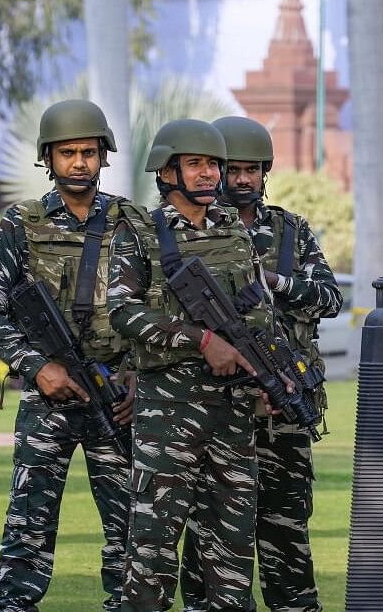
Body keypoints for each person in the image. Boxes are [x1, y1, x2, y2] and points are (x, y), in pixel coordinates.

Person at [178, 116, 342, 612]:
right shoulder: (191, 233)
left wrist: (276, 283)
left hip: (285, 407)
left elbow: (330, 297)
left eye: (253, 170)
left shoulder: (290, 230)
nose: (243, 180)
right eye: (236, 170)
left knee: (286, 524)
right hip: (219, 406)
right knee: (211, 525)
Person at [109, 118, 274, 611]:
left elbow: (258, 312)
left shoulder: (234, 231)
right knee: (152, 550)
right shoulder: (139, 230)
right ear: (167, 171)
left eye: (214, 165)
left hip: (234, 414)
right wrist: (200, 340)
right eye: (195, 163)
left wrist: (272, 375)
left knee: (231, 553)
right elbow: (122, 310)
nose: (208, 174)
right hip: (169, 415)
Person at [0, 99, 134, 612]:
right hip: (48, 403)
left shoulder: (132, 224)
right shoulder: (20, 225)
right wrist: (36, 366)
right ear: (50, 157)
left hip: (114, 399)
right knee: (28, 525)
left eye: (88, 152)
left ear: (102, 155)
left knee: (131, 528)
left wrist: (135, 379)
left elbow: (157, 309)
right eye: (67, 152)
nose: (79, 162)